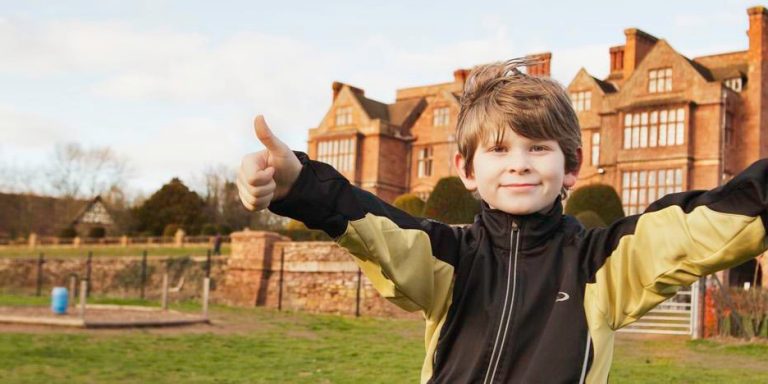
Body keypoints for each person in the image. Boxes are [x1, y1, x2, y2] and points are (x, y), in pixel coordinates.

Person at [236, 59, 768, 383]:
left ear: (571, 169)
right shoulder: (448, 257)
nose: (518, 162)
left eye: (538, 147)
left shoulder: (602, 264)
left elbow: (700, 225)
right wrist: (297, 185)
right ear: (466, 170)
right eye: (497, 149)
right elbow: (371, 222)